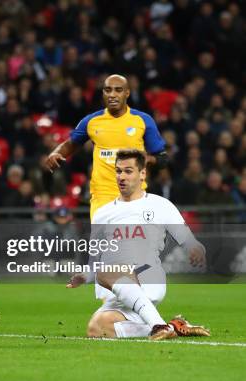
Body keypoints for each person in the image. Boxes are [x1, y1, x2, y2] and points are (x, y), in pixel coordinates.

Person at [66, 149, 210, 340]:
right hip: (116, 289)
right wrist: (85, 277)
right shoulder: (102, 214)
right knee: (97, 329)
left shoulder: (160, 205)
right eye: (118, 171)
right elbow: (95, 262)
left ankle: (158, 325)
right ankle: (170, 326)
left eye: (128, 171)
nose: (121, 177)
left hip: (147, 276)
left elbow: (189, 240)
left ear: (142, 173)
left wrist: (195, 249)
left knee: (107, 272)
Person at [44, 74, 168, 219]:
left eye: (118, 90)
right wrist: (56, 153)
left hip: (135, 197)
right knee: (106, 242)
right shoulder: (91, 121)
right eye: (107, 90)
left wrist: (147, 159)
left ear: (127, 93)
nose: (112, 95)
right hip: (102, 197)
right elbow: (71, 143)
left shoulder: (143, 120)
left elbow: (163, 159)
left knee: (132, 241)